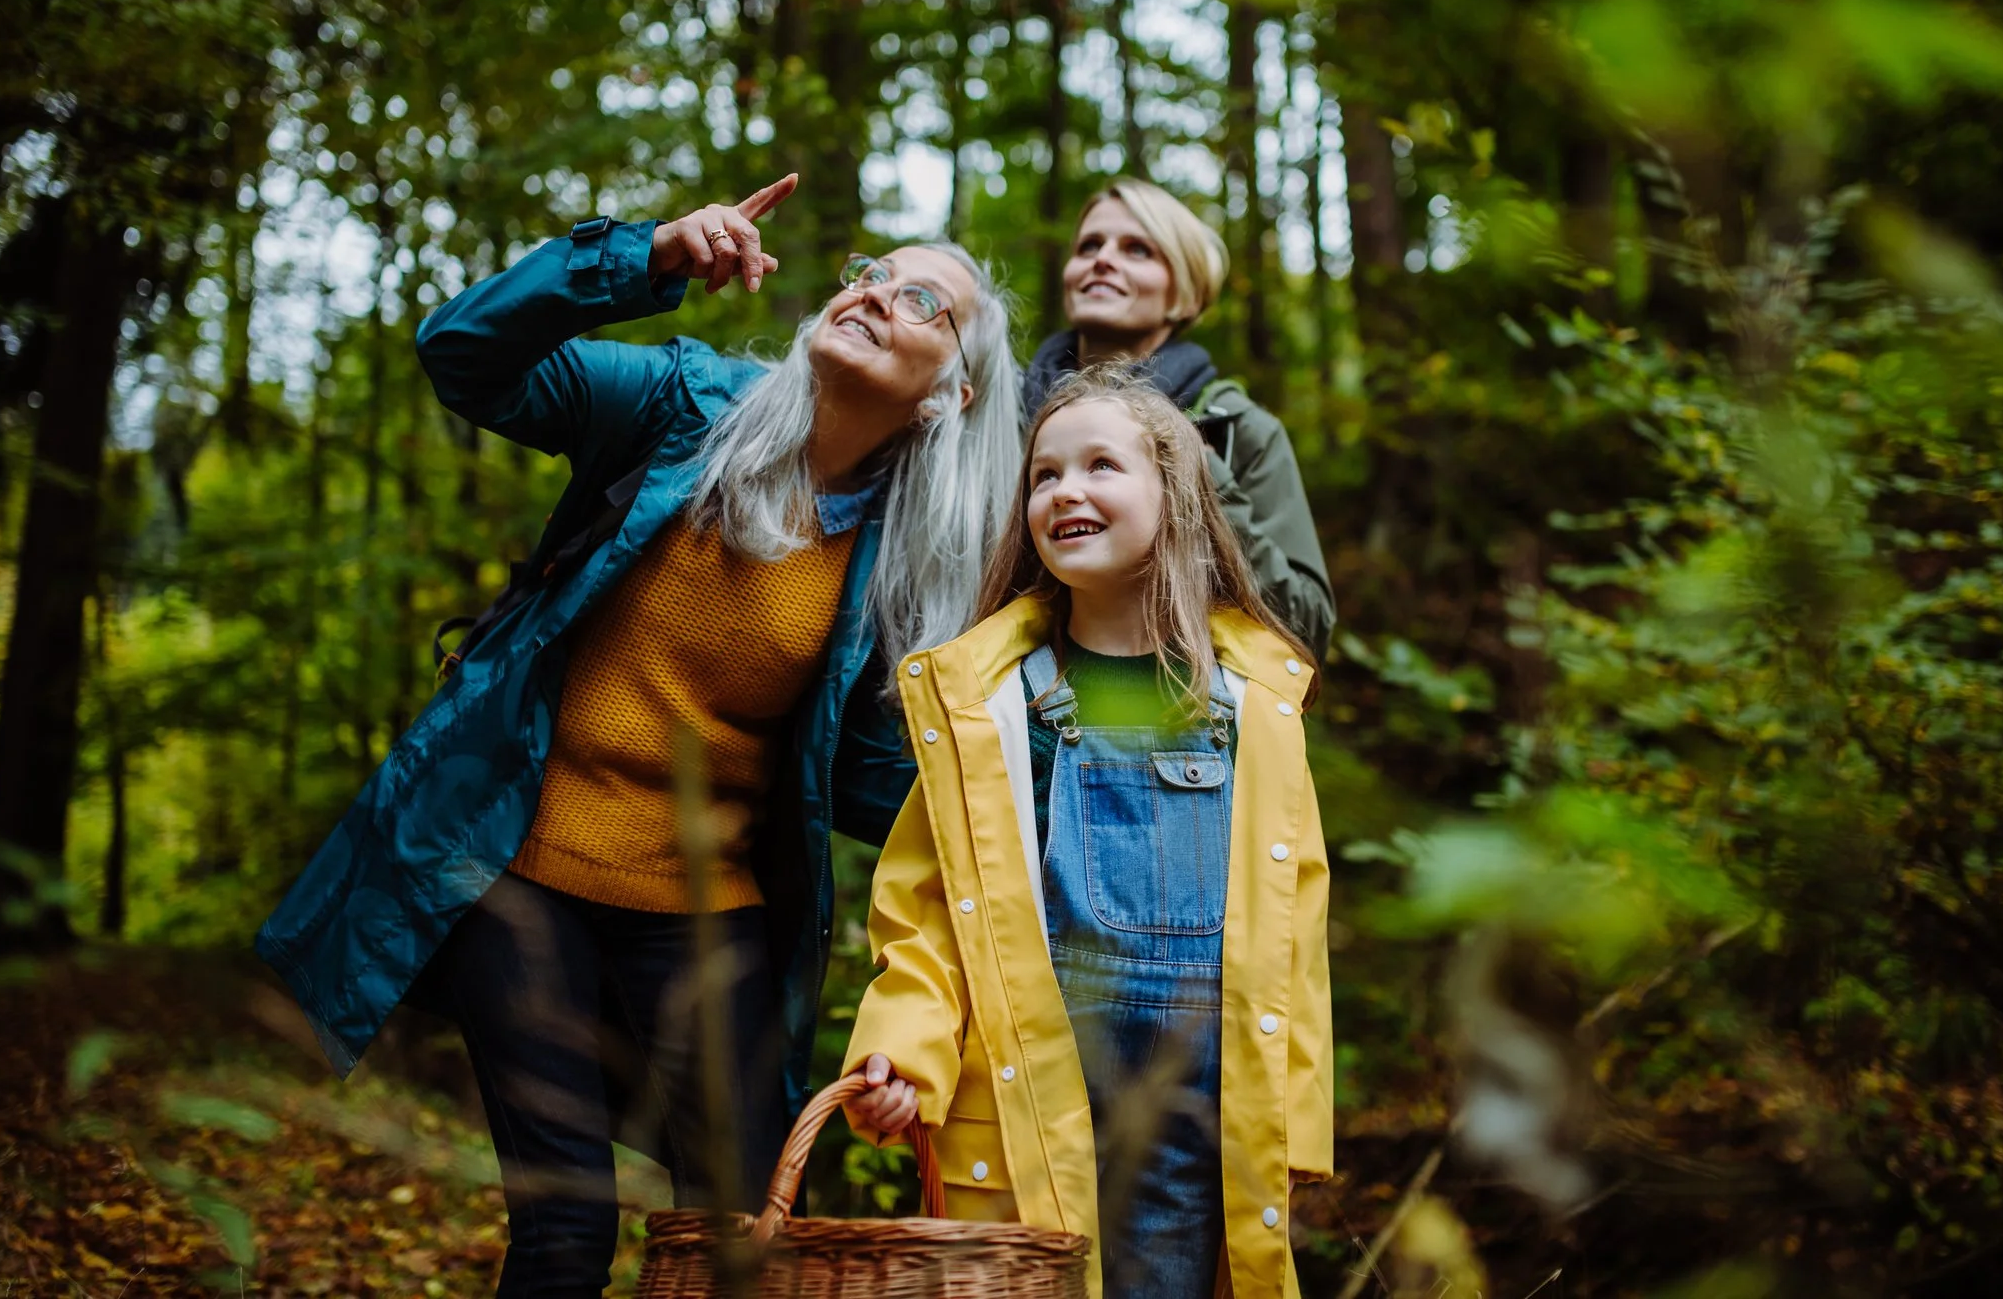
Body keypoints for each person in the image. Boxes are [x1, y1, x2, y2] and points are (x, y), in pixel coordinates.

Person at [254, 174, 1023, 1295]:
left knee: (745, 1227)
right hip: (525, 875)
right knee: (566, 1229)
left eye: (920, 301)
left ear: (947, 395)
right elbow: (461, 353)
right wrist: (642, 260)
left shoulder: (904, 566)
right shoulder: (681, 404)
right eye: (868, 274)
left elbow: (876, 794)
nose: (871, 294)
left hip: (708, 914)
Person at [840, 367, 1334, 1299]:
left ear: (1176, 496)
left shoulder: (1253, 705)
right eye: (1042, 475)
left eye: (1100, 466)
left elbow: (1294, 922)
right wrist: (903, 1043)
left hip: (1198, 1113)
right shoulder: (987, 703)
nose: (1064, 490)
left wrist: (1296, 1119)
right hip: (1027, 1094)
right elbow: (927, 907)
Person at [1024, 177, 1335, 658]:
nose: (1102, 259)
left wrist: (1209, 483)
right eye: (1089, 246)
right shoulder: (1003, 409)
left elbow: (1307, 625)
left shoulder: (1236, 430)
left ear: (1184, 297)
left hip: (1179, 716)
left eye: (1138, 250)